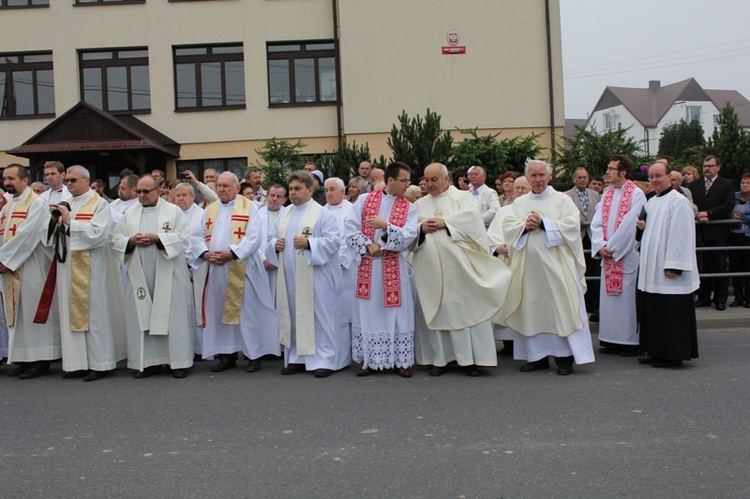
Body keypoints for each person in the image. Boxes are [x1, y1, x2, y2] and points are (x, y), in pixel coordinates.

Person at [409, 163, 511, 376]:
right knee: (435, 309)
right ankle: (439, 359)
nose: (429, 184)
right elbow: (409, 235)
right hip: (430, 271)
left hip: (460, 269)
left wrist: (445, 223)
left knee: (464, 310)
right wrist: (421, 229)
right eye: (426, 180)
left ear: (447, 179)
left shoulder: (464, 199)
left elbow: (474, 226)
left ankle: (469, 360)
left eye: (434, 179)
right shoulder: (419, 205)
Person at [498, 160, 595, 375]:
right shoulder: (520, 203)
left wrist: (543, 223)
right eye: (533, 176)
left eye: (541, 175)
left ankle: (564, 358)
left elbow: (571, 226)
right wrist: (525, 224)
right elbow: (508, 227)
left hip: (557, 268)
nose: (538, 179)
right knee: (532, 310)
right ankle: (537, 357)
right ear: (527, 178)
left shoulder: (562, 200)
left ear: (549, 176)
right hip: (529, 271)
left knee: (560, 309)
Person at [188, 172, 280, 373]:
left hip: (243, 267)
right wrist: (204, 254)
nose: (221, 189)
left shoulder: (250, 208)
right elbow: (196, 236)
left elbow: (254, 237)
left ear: (237, 188)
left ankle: (252, 355)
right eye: (219, 186)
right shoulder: (210, 209)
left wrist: (233, 253)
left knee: (247, 313)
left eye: (225, 186)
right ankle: (226, 355)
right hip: (217, 270)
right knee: (220, 311)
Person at [44, 165, 127, 381]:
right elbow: (50, 237)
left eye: (73, 180)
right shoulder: (67, 203)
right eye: (68, 180)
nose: (69, 184)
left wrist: (71, 223)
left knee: (95, 314)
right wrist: (54, 221)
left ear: (86, 180)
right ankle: (77, 363)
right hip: (68, 268)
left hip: (94, 269)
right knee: (70, 313)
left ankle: (100, 363)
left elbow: (99, 234)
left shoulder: (99, 204)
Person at [267, 170, 351, 377]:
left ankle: (325, 359)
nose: (293, 193)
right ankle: (297, 357)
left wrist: (310, 243)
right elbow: (270, 237)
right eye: (291, 189)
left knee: (319, 317)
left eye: (298, 189)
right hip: (290, 277)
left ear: (310, 190)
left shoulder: (323, 214)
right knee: (294, 315)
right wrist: (274, 244)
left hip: (317, 278)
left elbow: (334, 242)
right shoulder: (284, 214)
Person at [111, 175, 194, 379]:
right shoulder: (129, 213)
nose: (141, 195)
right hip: (139, 273)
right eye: (138, 191)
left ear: (159, 190)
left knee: (172, 316)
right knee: (142, 315)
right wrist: (130, 241)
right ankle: (147, 362)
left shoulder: (173, 212)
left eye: (146, 191)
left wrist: (159, 239)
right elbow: (115, 240)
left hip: (168, 272)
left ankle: (177, 362)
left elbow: (184, 239)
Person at [346, 162, 418, 377]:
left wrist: (385, 227)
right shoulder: (364, 200)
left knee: (397, 313)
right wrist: (368, 245)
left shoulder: (410, 207)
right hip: (369, 265)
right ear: (390, 180)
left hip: (393, 264)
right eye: (403, 180)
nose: (407, 185)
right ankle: (370, 358)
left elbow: (408, 235)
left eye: (408, 180)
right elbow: (349, 227)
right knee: (369, 312)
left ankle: (401, 360)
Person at [636, 162, 699, 367]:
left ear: (669, 178)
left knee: (671, 313)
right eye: (651, 177)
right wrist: (642, 229)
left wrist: (674, 265)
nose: (654, 180)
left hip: (668, 269)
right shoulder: (652, 201)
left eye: (658, 176)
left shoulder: (678, 201)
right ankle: (656, 351)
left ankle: (672, 354)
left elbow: (681, 234)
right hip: (652, 268)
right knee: (655, 311)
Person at [0, 165, 59, 379]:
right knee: (17, 314)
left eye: (12, 178)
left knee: (34, 312)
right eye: (5, 178)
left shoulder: (36, 203)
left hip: (32, 266)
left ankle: (41, 360)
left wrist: (4, 259)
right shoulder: (7, 207)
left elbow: (28, 235)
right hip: (11, 266)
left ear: (25, 180)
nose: (7, 182)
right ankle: (24, 358)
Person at [590, 155, 646, 356]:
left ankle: (629, 341)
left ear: (622, 172)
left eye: (611, 168)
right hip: (608, 254)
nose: (607, 172)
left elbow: (630, 224)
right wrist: (600, 246)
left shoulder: (636, 194)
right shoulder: (607, 194)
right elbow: (596, 222)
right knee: (609, 300)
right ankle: (610, 338)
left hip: (625, 254)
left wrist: (612, 248)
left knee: (626, 300)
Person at [486, 175, 531, 355]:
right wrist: (498, 246)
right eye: (517, 188)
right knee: (506, 302)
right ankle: (508, 342)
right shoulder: (504, 211)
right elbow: (492, 233)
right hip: (506, 263)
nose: (519, 192)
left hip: (527, 265)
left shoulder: (533, 211)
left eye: (523, 189)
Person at [689, 155, 735, 310]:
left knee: (719, 265)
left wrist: (709, 213)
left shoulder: (727, 184)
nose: (706, 169)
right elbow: (690, 203)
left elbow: (728, 205)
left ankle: (720, 299)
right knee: (703, 266)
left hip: (717, 232)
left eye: (710, 166)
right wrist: (697, 214)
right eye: (704, 166)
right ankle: (703, 297)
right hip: (700, 231)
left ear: (718, 167)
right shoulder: (695, 185)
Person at [173, 182, 207, 359]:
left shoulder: (202, 215)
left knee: (200, 308)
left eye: (184, 195)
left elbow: (203, 238)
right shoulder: (171, 215)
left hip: (198, 266)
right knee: (183, 309)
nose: (180, 199)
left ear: (193, 197)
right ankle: (186, 347)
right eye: (177, 196)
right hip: (177, 266)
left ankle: (202, 348)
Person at [565, 167, 601, 320]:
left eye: (585, 177)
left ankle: (593, 303)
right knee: (579, 268)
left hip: (592, 236)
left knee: (593, 269)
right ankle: (581, 302)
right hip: (577, 235)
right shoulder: (566, 196)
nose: (582, 180)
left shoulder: (596, 195)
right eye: (579, 177)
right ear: (574, 179)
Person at [323, 178, 356, 331]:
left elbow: (354, 236)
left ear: (342, 192)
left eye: (332, 189)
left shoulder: (353, 210)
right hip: (327, 265)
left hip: (348, 266)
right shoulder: (321, 212)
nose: (328, 193)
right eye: (326, 190)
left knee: (349, 304)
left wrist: (343, 259)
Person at [258, 185, 287, 299]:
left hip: (281, 265)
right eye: (272, 195)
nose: (274, 198)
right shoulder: (256, 214)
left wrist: (274, 260)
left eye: (279, 196)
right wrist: (263, 259)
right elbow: (252, 239)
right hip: (259, 263)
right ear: (266, 197)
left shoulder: (289, 215)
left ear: (284, 200)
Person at [728, 173, 750, 308]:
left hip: (747, 237)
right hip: (734, 236)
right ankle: (738, 297)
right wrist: (731, 214)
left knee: (748, 268)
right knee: (735, 267)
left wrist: (743, 217)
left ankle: (748, 298)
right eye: (743, 183)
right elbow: (727, 207)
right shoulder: (734, 197)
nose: (745, 185)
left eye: (748, 183)